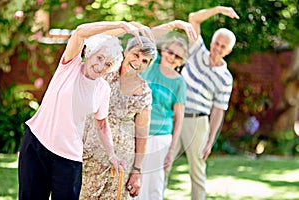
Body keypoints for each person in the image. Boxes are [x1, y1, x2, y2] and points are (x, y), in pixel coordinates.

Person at [18, 21, 152, 200]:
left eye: (107, 64)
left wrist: (112, 154)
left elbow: (102, 124)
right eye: (99, 58)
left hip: (69, 157)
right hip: (36, 144)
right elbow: (80, 32)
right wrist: (122, 26)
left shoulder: (102, 88)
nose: (100, 66)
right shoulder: (70, 66)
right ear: (90, 53)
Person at [165, 6, 240, 200]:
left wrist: (210, 139)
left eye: (223, 47)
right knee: (162, 163)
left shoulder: (225, 78)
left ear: (229, 51)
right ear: (212, 41)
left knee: (197, 173)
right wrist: (220, 10)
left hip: (198, 122)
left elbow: (218, 110)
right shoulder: (197, 50)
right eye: (216, 43)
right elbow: (193, 18)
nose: (217, 48)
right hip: (174, 115)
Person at [80, 35, 157, 199]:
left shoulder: (144, 93)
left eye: (145, 61)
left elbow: (142, 135)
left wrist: (137, 170)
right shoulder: (104, 73)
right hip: (89, 152)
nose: (138, 62)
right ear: (126, 51)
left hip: (122, 160)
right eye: (136, 55)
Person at [136, 21, 197, 200]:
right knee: (135, 177)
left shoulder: (179, 83)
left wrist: (172, 150)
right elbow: (147, 36)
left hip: (161, 136)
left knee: (155, 183)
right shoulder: (148, 67)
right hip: (138, 132)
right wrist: (174, 25)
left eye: (178, 56)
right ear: (163, 51)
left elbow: (179, 119)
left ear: (181, 62)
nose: (172, 57)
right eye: (170, 52)